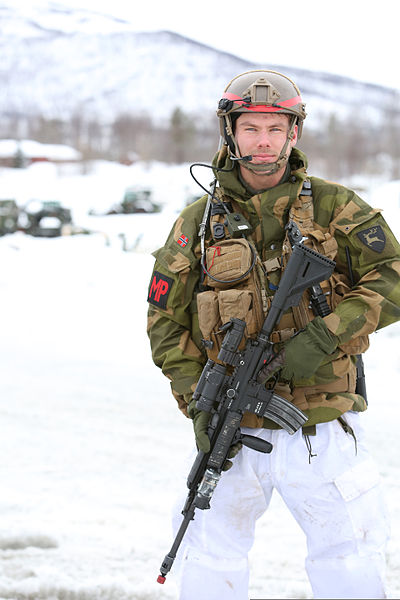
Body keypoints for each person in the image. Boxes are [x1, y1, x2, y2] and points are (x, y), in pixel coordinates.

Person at [147, 69, 400, 599]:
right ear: (230, 134)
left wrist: (326, 335)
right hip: (233, 430)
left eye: (274, 128)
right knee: (207, 555)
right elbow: (166, 323)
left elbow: (392, 277)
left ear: (294, 133)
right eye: (250, 128)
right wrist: (199, 401)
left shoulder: (336, 207)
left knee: (349, 553)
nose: (263, 141)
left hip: (319, 427)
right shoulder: (195, 224)